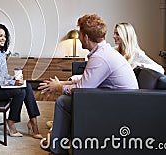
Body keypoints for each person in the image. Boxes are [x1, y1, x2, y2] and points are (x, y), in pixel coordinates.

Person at [38, 14, 138, 154]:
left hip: (120, 107)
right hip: (116, 99)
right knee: (65, 100)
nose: (78, 38)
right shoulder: (103, 52)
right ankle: (58, 143)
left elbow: (82, 91)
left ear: (86, 37)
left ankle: (58, 149)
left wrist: (58, 87)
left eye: (79, 34)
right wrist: (61, 83)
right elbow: (87, 80)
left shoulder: (100, 58)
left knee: (63, 101)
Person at [0, 24, 42, 139]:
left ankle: (33, 122)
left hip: (0, 87)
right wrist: (13, 83)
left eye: (5, 36)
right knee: (20, 92)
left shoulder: (1, 53)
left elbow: (3, 75)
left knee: (26, 85)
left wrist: (14, 79)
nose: (4, 38)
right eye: (0, 36)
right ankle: (11, 122)